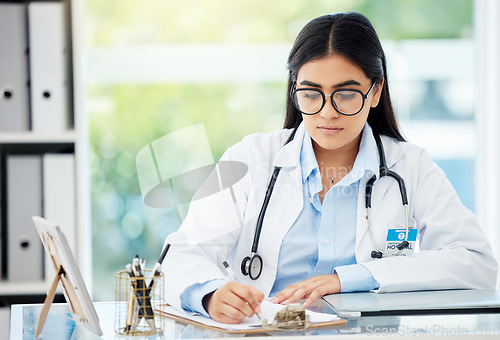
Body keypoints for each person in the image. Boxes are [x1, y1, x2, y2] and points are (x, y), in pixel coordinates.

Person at [161, 12, 497, 324]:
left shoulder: (410, 166)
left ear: (375, 91)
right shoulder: (251, 157)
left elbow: (475, 263)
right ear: (294, 89)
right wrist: (209, 294)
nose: (327, 113)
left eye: (346, 94)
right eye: (311, 93)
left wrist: (347, 279)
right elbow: (183, 254)